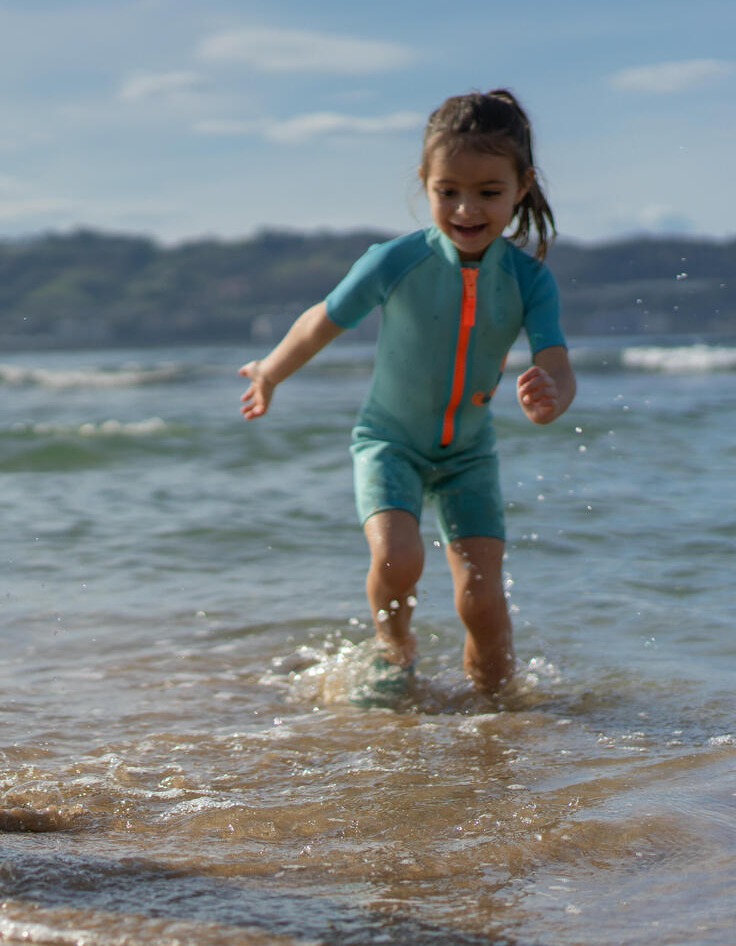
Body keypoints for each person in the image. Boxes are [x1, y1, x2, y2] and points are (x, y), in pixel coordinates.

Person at [238, 89, 575, 700]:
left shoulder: (528, 280)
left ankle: (498, 709)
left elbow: (556, 360)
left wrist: (552, 393)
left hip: (469, 455)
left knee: (483, 596)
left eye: (489, 193)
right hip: (388, 442)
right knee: (398, 559)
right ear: (426, 181)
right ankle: (394, 652)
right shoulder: (395, 261)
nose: (466, 209)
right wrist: (270, 372)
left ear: (521, 186)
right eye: (448, 191)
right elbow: (324, 320)